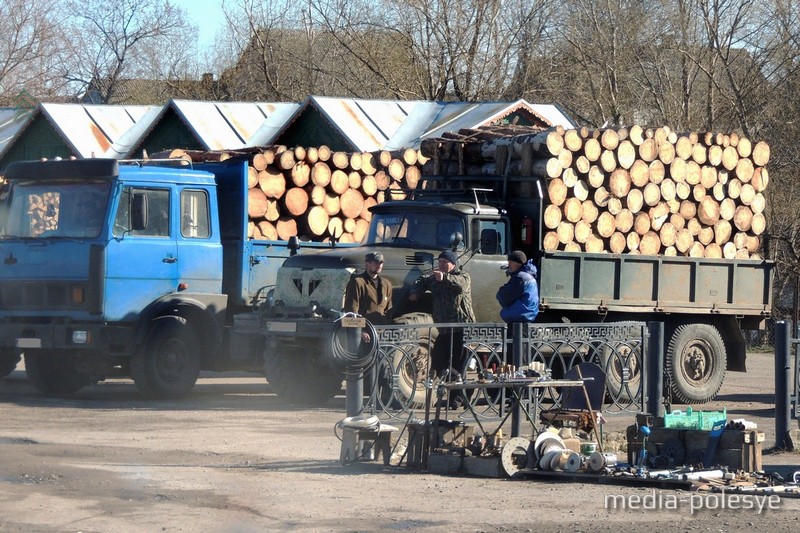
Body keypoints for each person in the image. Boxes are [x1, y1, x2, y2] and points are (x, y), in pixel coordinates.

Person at [409, 249, 475, 383]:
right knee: (438, 362)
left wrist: (445, 278)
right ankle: (455, 378)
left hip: (461, 327)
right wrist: (415, 291)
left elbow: (461, 285)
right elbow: (422, 280)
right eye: (440, 262)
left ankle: (458, 399)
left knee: (459, 363)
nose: (442, 264)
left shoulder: (463, 276)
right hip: (444, 328)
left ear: (453, 264)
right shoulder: (435, 278)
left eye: (445, 262)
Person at [343, 251, 393, 342]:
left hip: (382, 334)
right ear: (367, 263)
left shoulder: (387, 284)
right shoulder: (357, 282)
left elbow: (388, 310)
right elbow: (351, 310)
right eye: (376, 262)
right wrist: (360, 331)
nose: (379, 265)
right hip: (364, 334)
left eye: (381, 262)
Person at [496, 250, 539, 323]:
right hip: (528, 315)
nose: (509, 265)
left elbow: (504, 296)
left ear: (519, 263)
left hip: (519, 316)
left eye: (511, 262)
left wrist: (499, 294)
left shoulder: (520, 277)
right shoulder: (529, 276)